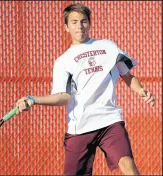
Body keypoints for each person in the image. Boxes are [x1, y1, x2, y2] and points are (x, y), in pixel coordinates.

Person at [15, 3, 155, 176]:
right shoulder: (63, 61)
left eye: (83, 21)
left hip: (110, 120)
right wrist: (33, 99)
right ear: (66, 27)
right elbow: (63, 97)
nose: (79, 26)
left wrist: (140, 90)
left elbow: (126, 75)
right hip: (79, 127)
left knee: (128, 165)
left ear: (89, 23)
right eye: (74, 22)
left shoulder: (109, 47)